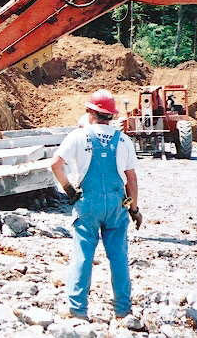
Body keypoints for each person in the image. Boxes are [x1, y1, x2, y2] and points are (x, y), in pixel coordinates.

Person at [50, 89, 143, 320]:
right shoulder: (123, 140)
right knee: (119, 257)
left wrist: (69, 190)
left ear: (91, 112)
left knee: (83, 255)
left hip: (87, 204)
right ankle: (123, 310)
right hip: (116, 205)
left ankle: (77, 309)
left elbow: (55, 164)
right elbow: (131, 178)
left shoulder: (77, 136)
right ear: (111, 115)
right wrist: (134, 209)